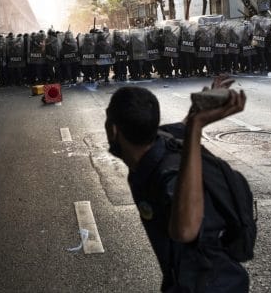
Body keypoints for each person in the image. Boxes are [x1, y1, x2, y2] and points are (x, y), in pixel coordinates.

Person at [105, 78, 249, 292]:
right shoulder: (160, 137)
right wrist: (202, 107)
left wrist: (196, 128)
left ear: (114, 130)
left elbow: (185, 231)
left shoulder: (168, 175)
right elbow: (186, 123)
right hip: (186, 280)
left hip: (211, 285)